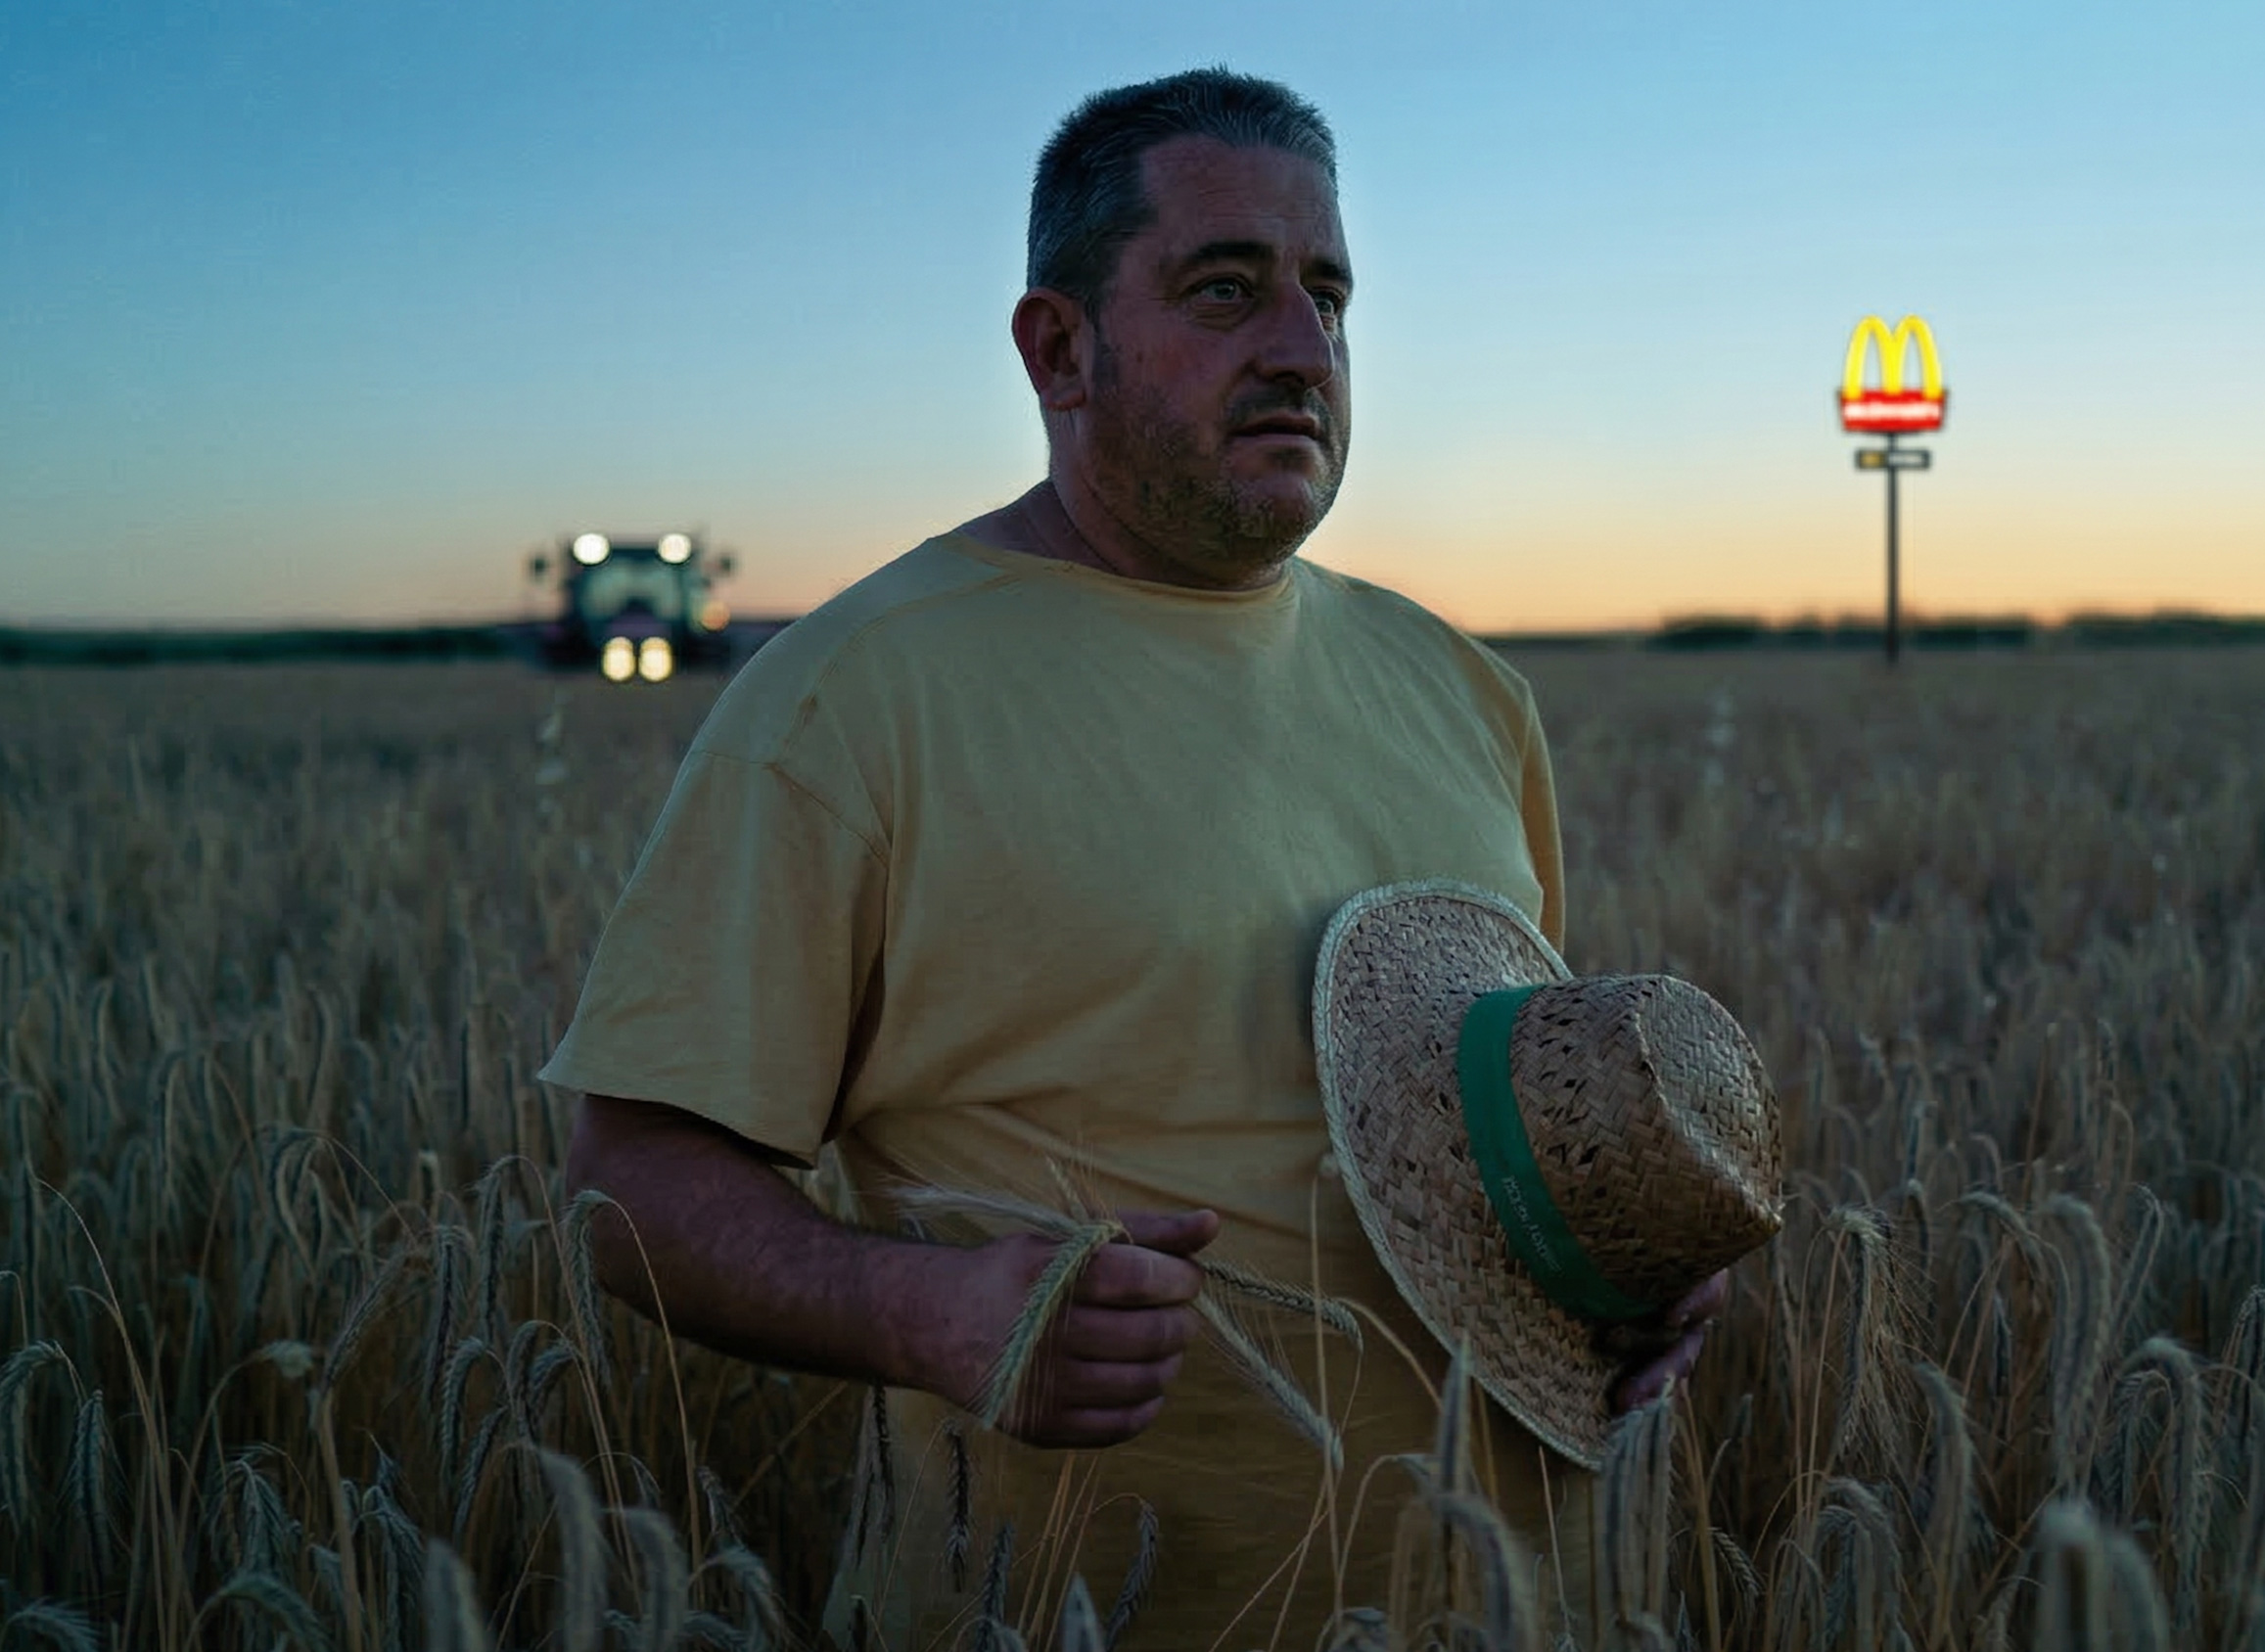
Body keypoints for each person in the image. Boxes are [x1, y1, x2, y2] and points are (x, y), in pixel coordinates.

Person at [542, 69, 1722, 1652]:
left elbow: (1495, 1132)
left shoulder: (1464, 694)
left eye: (1329, 296)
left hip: (1514, 1604)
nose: (1301, 350)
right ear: (1058, 349)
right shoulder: (853, 699)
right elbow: (631, 1175)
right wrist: (933, 1315)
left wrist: (1615, 1260)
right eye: (1225, 290)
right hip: (1073, 1612)